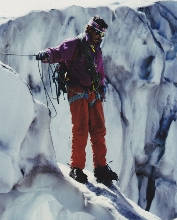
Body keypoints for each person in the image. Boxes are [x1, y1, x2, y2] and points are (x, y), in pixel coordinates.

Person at [36, 16, 118, 187]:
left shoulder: (96, 50)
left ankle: (101, 168)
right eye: (97, 33)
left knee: (99, 130)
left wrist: (101, 88)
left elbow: (100, 72)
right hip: (78, 91)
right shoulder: (75, 44)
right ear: (90, 29)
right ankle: (77, 168)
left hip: (93, 93)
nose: (99, 37)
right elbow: (58, 52)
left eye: (101, 35)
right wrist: (46, 55)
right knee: (80, 130)